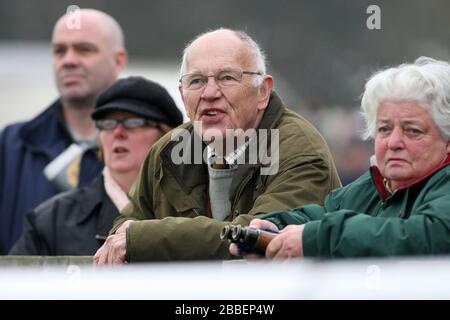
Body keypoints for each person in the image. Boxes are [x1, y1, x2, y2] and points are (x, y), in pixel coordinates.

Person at [94, 28, 341, 264]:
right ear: (182, 95)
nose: (209, 93)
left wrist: (143, 239)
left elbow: (258, 238)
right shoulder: (167, 151)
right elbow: (127, 225)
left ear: (263, 91)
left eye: (227, 77)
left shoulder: (300, 150)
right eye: (196, 81)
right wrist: (128, 238)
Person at [230, 56, 450, 259]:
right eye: (384, 129)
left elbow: (428, 236)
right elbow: (325, 213)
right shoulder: (377, 185)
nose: (393, 142)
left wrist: (315, 238)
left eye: (413, 131)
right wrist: (272, 227)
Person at [0, 9, 128, 254]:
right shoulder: (11, 146)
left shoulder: (153, 147)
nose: (68, 60)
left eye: (84, 49)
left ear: (118, 60)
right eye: (60, 50)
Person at [9, 76, 183, 255]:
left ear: (167, 136)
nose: (118, 132)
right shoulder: (50, 221)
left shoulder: (198, 209)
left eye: (133, 122)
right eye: (107, 123)